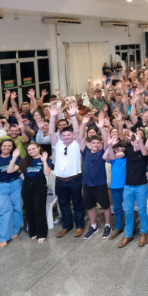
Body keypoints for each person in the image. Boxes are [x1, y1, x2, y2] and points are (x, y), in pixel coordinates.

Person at [48, 102, 84, 238]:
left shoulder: (76, 144)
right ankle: (67, 226)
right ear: (61, 136)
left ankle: (79, 226)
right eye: (64, 135)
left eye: (69, 135)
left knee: (77, 204)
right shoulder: (57, 144)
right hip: (60, 181)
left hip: (75, 179)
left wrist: (73, 115)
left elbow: (76, 130)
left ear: (73, 136)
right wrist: (52, 117)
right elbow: (51, 132)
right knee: (63, 205)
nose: (67, 137)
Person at [112, 128, 148, 248]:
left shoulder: (144, 152)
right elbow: (113, 157)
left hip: (141, 186)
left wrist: (140, 141)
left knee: (142, 210)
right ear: (132, 142)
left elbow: (144, 153)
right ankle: (128, 234)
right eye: (136, 142)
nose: (139, 144)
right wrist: (109, 146)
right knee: (128, 211)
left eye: (141, 142)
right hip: (128, 186)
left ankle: (144, 232)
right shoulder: (128, 151)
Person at [77, 112, 112, 240]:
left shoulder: (103, 151)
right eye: (93, 143)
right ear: (90, 143)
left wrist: (102, 127)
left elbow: (107, 142)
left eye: (98, 143)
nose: (96, 145)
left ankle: (108, 225)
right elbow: (80, 137)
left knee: (106, 206)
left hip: (100, 184)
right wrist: (84, 124)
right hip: (87, 184)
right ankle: (93, 226)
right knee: (90, 206)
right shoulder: (85, 151)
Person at [21, 142, 52, 243]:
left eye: (33, 149)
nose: (31, 151)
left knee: (39, 209)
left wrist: (44, 162)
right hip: (27, 186)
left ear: (39, 148)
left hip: (39, 185)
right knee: (29, 209)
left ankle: (42, 233)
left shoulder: (45, 159)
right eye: (29, 150)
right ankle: (33, 231)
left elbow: (46, 173)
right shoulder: (26, 161)